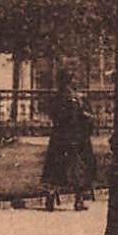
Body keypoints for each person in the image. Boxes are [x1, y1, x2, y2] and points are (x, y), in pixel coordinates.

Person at [40, 70, 98, 211]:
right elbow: (74, 118)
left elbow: (53, 115)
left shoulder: (56, 97)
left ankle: (51, 196)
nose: (76, 82)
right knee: (77, 167)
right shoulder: (73, 98)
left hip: (58, 137)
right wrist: (86, 116)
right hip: (74, 137)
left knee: (56, 167)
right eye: (73, 79)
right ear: (69, 81)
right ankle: (78, 200)